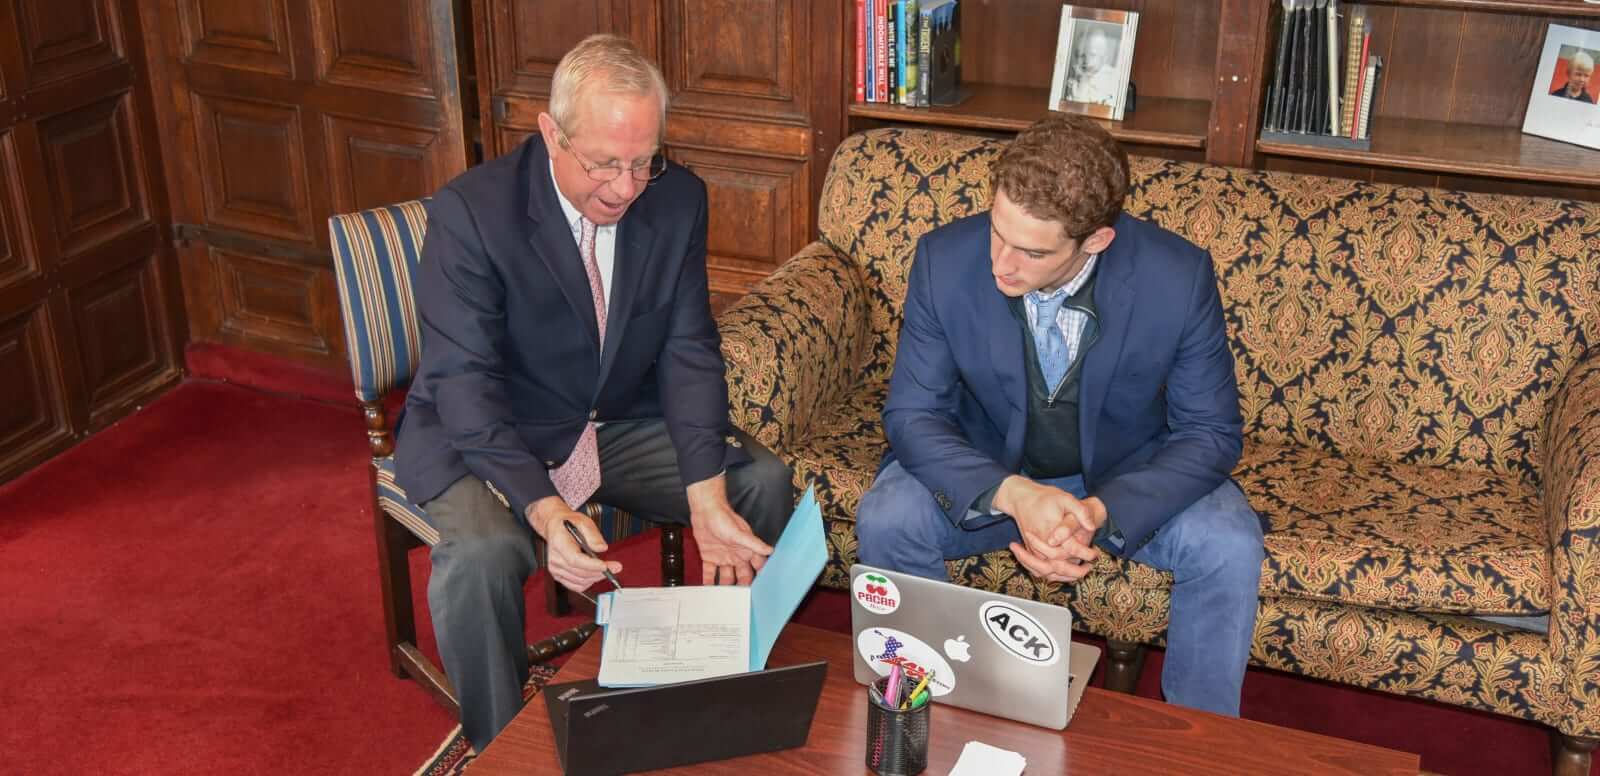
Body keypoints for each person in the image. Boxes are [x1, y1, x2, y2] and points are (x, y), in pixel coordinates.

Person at [394, 34, 795, 750]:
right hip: (490, 430)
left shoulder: (677, 200)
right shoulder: (473, 214)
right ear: (551, 132)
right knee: (481, 559)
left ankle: (729, 684)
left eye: (644, 161)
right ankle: (500, 749)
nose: (626, 187)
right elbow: (465, 386)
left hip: (610, 418)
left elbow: (688, 347)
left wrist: (705, 492)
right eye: (604, 163)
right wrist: (544, 508)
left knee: (756, 481)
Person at [854, 113, 1266, 718]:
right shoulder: (944, 260)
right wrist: (1013, 495)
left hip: (1124, 478)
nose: (1002, 264)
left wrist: (1101, 512)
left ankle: (1199, 743)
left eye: (1032, 251)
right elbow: (913, 415)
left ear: (1095, 240)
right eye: (998, 232)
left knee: (1229, 542)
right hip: (991, 471)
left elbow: (1210, 434)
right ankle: (921, 713)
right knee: (888, 514)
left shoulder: (1177, 279)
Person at [1065, 28, 1120, 107]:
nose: (1086, 60)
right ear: (1076, 57)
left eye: (1092, 55)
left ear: (1104, 58)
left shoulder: (1112, 78)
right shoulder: (1073, 80)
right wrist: (1083, 82)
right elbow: (1075, 107)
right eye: (1081, 55)